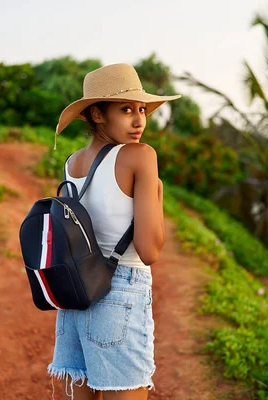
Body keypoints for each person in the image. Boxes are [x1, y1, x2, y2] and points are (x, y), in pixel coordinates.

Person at [47, 63, 181, 400]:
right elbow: (149, 250)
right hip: (120, 294)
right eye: (126, 110)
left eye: (141, 109)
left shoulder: (71, 163)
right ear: (97, 114)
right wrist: (157, 195)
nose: (139, 121)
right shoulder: (140, 156)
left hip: (75, 298)